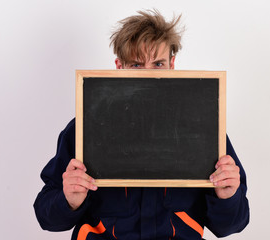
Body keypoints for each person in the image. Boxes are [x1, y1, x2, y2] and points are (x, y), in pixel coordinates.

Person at [34, 9, 249, 240]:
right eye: (136, 65)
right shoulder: (85, 130)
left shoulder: (204, 130)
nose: (148, 75)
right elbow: (47, 218)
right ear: (119, 67)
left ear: (172, 65)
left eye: (158, 64)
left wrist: (227, 196)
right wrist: (68, 200)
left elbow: (231, 225)